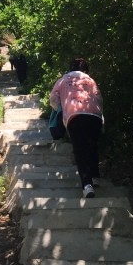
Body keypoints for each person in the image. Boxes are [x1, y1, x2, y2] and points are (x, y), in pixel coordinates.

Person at [49, 58, 104, 199]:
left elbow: (53, 100)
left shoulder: (62, 81)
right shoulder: (90, 80)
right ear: (85, 70)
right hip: (95, 116)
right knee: (92, 145)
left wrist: (62, 108)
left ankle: (87, 185)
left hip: (75, 116)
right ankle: (95, 176)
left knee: (80, 150)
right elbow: (99, 99)